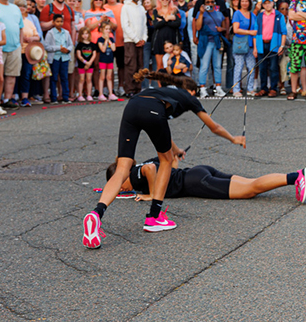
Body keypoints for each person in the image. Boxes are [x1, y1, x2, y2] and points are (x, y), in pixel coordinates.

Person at [81, 69, 247, 249]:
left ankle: (97, 214)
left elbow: (162, 131)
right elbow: (214, 127)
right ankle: (154, 217)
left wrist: (176, 150)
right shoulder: (189, 97)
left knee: (123, 168)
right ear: (190, 91)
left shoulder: (164, 92)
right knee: (166, 161)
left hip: (132, 106)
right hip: (152, 111)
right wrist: (233, 138)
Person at [110, 157, 306, 204]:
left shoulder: (135, 173)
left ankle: (297, 177)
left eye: (119, 185)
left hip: (195, 181)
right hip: (198, 171)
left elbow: (149, 169)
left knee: (249, 190)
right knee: (251, 183)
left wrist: (153, 195)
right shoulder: (144, 161)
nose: (122, 188)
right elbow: (170, 162)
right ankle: (297, 176)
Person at [0, 0, 23, 109]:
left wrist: (20, 44)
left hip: (15, 46)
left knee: (12, 75)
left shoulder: (15, 8)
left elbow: (20, 27)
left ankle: (7, 99)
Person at [253, 0, 287, 98]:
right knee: (262, 67)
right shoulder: (259, 16)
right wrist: (255, 48)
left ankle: (273, 88)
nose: (267, 5)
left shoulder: (278, 15)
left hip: (273, 44)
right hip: (261, 43)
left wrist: (282, 45)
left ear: (273, 3)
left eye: (269, 2)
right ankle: (263, 88)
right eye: (265, 3)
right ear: (263, 5)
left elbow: (283, 32)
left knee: (273, 67)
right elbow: (255, 32)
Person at [195, 0, 226, 98]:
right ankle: (202, 88)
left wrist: (221, 29)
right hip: (206, 41)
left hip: (216, 41)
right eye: (207, 2)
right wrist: (200, 14)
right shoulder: (201, 13)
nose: (210, 4)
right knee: (204, 66)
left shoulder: (218, 13)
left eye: (212, 2)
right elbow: (198, 27)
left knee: (217, 66)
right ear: (204, 3)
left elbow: (223, 26)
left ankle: (218, 87)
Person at [121, 0, 147, 96]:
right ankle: (130, 90)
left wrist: (143, 39)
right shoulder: (126, 7)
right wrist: (136, 39)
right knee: (131, 66)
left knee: (139, 66)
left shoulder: (141, 8)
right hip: (130, 41)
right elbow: (125, 25)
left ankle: (138, 89)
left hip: (140, 41)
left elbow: (144, 25)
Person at [42, 13, 72, 103]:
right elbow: (47, 46)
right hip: (55, 58)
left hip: (64, 58)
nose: (60, 23)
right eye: (57, 21)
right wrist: (59, 48)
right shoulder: (50, 33)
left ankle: (65, 97)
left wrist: (67, 50)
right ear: (54, 22)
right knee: (54, 78)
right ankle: (54, 97)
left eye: (61, 21)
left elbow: (70, 44)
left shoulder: (66, 32)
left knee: (64, 77)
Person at [231, 0, 257, 97]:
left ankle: (250, 88)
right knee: (239, 66)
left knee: (251, 67)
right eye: (242, 1)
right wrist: (249, 32)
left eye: (246, 1)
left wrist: (255, 47)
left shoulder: (252, 15)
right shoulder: (237, 14)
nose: (244, 3)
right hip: (240, 44)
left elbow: (256, 31)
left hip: (250, 44)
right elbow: (235, 29)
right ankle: (236, 89)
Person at [151, 0, 182, 79]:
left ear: (169, 0)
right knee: (160, 67)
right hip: (159, 40)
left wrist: (163, 21)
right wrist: (167, 19)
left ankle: (172, 87)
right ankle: (161, 88)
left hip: (172, 39)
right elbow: (156, 25)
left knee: (173, 65)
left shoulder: (175, 10)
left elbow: (178, 24)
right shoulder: (155, 11)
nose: (165, 0)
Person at [103, 0, 126, 92]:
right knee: (109, 66)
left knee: (121, 66)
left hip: (122, 41)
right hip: (108, 42)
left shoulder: (123, 6)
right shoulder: (103, 7)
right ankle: (109, 87)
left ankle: (121, 86)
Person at [95, 21, 118, 101]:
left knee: (109, 77)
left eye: (109, 29)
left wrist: (109, 40)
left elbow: (114, 48)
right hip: (103, 60)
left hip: (110, 60)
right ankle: (101, 94)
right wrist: (106, 40)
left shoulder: (111, 39)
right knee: (102, 77)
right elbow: (103, 49)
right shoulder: (100, 39)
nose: (108, 31)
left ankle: (111, 93)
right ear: (102, 30)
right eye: (106, 29)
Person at [74, 27, 97, 102]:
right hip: (82, 65)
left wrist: (90, 62)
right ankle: (80, 94)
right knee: (81, 79)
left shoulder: (92, 45)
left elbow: (94, 54)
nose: (85, 35)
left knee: (89, 79)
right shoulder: (79, 45)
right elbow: (78, 55)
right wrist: (85, 62)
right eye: (83, 34)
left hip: (90, 64)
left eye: (86, 33)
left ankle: (89, 94)